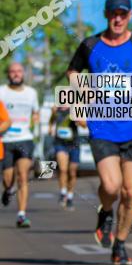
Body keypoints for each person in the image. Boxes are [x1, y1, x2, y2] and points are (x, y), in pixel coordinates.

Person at [67, 0, 132, 265]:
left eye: (123, 14)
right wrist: (82, 98)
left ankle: (119, 243)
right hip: (102, 125)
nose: (118, 19)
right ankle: (105, 211)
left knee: (131, 193)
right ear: (106, 16)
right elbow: (72, 72)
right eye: (113, 14)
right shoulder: (90, 44)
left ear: (129, 15)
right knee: (111, 185)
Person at [0, 62, 41, 228]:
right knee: (7, 178)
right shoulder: (1, 91)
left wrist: (37, 128)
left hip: (25, 138)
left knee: (23, 175)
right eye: (13, 72)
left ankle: (22, 215)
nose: (16, 74)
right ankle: (8, 190)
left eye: (19, 71)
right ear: (8, 74)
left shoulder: (31, 93)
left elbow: (36, 113)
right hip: (5, 140)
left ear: (23, 73)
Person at [49, 104, 79, 210]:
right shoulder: (56, 110)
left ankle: (70, 196)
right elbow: (52, 120)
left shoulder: (74, 109)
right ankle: (63, 193)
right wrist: (50, 127)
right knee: (62, 169)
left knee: (72, 172)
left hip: (74, 144)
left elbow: (83, 124)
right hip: (60, 143)